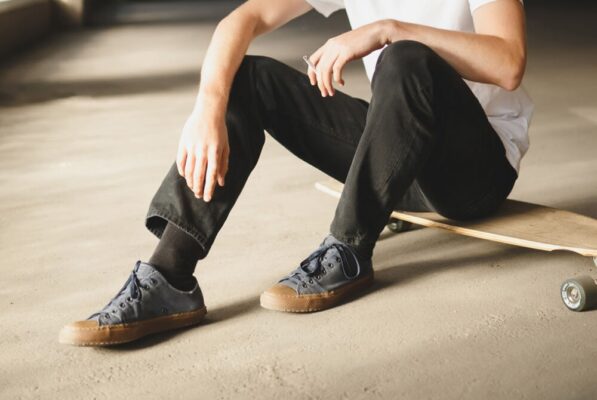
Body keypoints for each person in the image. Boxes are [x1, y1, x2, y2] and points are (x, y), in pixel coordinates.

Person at [59, 0, 533, 346]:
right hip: (396, 161)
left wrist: (387, 29)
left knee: (405, 57)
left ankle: (348, 248)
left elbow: (508, 62)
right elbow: (245, 18)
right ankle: (169, 276)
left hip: (473, 174)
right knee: (248, 78)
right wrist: (207, 107)